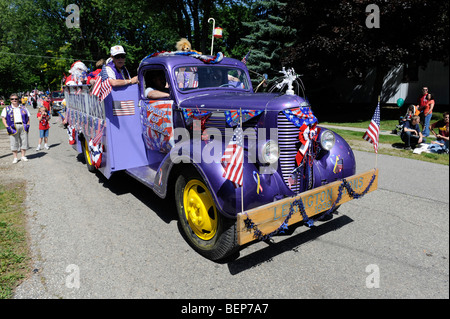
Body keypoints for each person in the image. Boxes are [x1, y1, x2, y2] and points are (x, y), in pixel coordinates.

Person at [1, 93, 31, 163]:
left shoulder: (23, 108)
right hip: (12, 127)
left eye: (16, 99)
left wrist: (28, 125)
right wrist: (7, 126)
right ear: (10, 100)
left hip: (23, 125)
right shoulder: (7, 109)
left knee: (24, 141)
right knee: (14, 142)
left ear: (18, 99)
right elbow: (3, 118)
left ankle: (23, 156)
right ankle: (15, 157)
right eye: (12, 99)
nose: (14, 100)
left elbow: (28, 117)